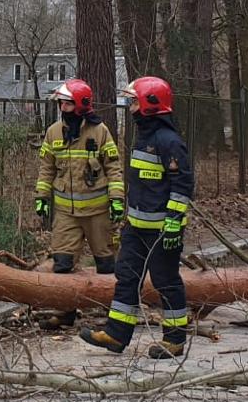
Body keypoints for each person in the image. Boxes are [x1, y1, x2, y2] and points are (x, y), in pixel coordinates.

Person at [79, 76, 194, 359]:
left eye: (133, 100)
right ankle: (116, 335)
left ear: (149, 103)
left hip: (162, 230)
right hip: (136, 228)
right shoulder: (144, 137)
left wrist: (173, 223)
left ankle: (175, 339)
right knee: (127, 278)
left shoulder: (169, 142)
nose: (130, 106)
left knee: (166, 281)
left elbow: (182, 186)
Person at [34, 79, 124, 275]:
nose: (63, 108)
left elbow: (113, 168)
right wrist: (42, 196)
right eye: (61, 104)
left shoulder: (100, 131)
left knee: (107, 265)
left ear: (81, 105)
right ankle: (67, 306)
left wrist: (117, 198)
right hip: (66, 214)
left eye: (68, 103)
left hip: (97, 213)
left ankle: (107, 305)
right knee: (62, 264)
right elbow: (46, 168)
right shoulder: (53, 132)